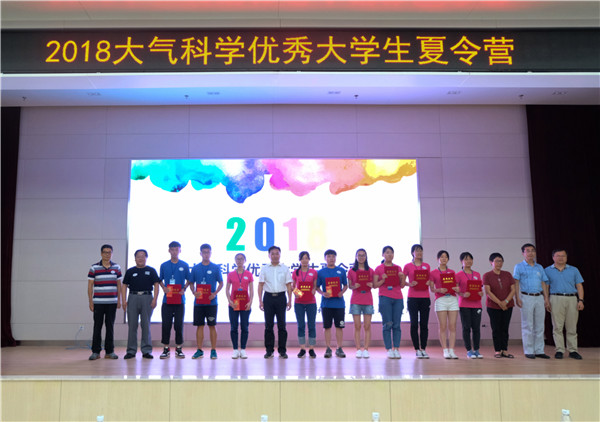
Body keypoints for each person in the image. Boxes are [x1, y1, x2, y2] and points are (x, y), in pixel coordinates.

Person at [544, 249, 584, 360]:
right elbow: (546, 287)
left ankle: (573, 350)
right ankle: (559, 350)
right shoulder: (547, 270)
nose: (561, 258)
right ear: (553, 257)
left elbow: (579, 285)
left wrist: (581, 300)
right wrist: (546, 300)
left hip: (572, 299)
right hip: (555, 298)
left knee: (572, 326)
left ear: (566, 257)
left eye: (563, 256)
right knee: (557, 326)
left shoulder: (574, 270)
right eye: (558, 256)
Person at [513, 243, 550, 359]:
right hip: (526, 297)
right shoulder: (519, 267)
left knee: (540, 325)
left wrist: (546, 298)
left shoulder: (539, 267)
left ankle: (539, 350)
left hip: (539, 297)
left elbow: (543, 282)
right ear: (523, 253)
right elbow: (516, 283)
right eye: (527, 251)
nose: (530, 253)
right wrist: (517, 297)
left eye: (532, 250)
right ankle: (529, 350)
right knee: (527, 325)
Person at [122, 249, 160, 359]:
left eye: (143, 256)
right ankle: (131, 350)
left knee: (146, 325)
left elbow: (156, 285)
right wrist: (123, 300)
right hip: (133, 297)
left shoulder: (151, 270)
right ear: (135, 258)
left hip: (147, 298)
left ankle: (146, 350)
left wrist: (155, 299)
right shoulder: (130, 271)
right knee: (132, 325)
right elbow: (124, 285)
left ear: (146, 258)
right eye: (138, 256)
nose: (140, 258)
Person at [87, 244, 122, 360]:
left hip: (112, 302)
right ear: (101, 253)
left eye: (109, 252)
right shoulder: (94, 268)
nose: (107, 254)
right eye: (105, 252)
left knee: (110, 326)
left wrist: (119, 300)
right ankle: (95, 352)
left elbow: (119, 285)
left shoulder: (116, 267)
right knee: (97, 326)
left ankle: (109, 351)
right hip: (98, 302)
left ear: (112, 253)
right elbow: (90, 286)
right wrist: (90, 302)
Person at [258, 246, 293, 359]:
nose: (275, 256)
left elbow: (288, 285)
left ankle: (282, 350)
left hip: (281, 298)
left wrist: (290, 300)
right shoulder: (264, 268)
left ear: (280, 254)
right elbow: (260, 285)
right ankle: (269, 350)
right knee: (268, 326)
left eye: (277, 253)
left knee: (282, 326)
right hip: (268, 298)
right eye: (272, 253)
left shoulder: (285, 268)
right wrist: (260, 300)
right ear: (269, 255)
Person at [190, 243, 223, 360]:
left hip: (211, 302)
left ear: (210, 253)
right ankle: (199, 350)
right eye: (204, 252)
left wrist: (214, 293)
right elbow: (191, 283)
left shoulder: (215, 267)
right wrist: (194, 292)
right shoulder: (195, 268)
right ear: (200, 253)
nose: (206, 254)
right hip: (198, 303)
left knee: (212, 326)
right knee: (199, 326)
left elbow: (221, 283)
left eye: (208, 252)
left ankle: (213, 350)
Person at [158, 241, 190, 359]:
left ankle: (179, 348)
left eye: (177, 249)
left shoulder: (184, 265)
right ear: (169, 251)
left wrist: (184, 288)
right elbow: (159, 279)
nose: (174, 252)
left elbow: (189, 279)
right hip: (167, 300)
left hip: (180, 300)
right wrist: (164, 288)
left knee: (178, 325)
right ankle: (166, 348)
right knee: (166, 324)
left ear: (180, 250)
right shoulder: (164, 265)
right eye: (172, 249)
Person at [373, 246, 406, 359]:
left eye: (391, 253)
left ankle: (396, 348)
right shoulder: (379, 268)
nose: (389, 255)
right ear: (383, 255)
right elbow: (375, 285)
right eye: (387, 252)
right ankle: (388, 349)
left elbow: (402, 285)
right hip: (385, 297)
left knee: (397, 324)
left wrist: (402, 277)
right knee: (387, 324)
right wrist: (383, 279)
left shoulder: (398, 268)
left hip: (398, 298)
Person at [316, 249, 349, 358]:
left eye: (333, 256)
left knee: (340, 326)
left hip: (339, 304)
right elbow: (317, 287)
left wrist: (342, 292)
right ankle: (328, 348)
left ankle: (339, 348)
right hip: (326, 305)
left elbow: (346, 285)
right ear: (325, 258)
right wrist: (322, 293)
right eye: (329, 256)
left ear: (336, 258)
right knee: (327, 327)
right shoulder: (321, 272)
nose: (331, 258)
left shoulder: (341, 270)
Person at [483, 252, 516, 359]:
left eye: (501, 261)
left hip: (508, 306)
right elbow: (488, 292)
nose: (499, 263)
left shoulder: (507, 274)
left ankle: (505, 350)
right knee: (496, 328)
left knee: (505, 328)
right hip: (493, 306)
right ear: (491, 262)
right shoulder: (487, 275)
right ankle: (497, 350)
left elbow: (513, 289)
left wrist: (505, 302)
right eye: (496, 261)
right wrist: (500, 303)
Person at [403, 244, 433, 359]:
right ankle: (417, 349)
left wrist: (429, 283)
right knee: (414, 324)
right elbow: (402, 282)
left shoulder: (427, 266)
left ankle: (423, 348)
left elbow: (430, 281)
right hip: (412, 298)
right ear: (412, 253)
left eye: (421, 250)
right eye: (417, 251)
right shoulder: (407, 266)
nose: (419, 253)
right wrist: (410, 284)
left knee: (424, 324)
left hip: (425, 297)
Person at [430, 250, 460, 359]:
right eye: (441, 257)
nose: (444, 259)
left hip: (452, 299)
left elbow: (456, 286)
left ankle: (451, 350)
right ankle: (445, 350)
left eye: (446, 257)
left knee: (452, 326)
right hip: (440, 300)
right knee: (442, 326)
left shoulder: (452, 272)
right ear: (437, 259)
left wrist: (457, 289)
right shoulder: (433, 273)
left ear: (448, 259)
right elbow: (432, 289)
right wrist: (439, 290)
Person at [347, 248, 375, 359]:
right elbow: (350, 286)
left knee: (367, 326)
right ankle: (358, 349)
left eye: (363, 255)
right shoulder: (351, 271)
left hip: (368, 300)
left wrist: (371, 285)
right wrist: (354, 286)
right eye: (359, 255)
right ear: (356, 257)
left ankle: (366, 349)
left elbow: (374, 284)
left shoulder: (371, 271)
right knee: (357, 326)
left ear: (366, 257)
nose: (361, 257)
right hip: (356, 300)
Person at [226, 253, 254, 359]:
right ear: (235, 261)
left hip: (245, 304)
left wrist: (250, 302)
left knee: (244, 327)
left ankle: (243, 349)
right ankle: (235, 350)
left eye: (241, 259)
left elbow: (251, 289)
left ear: (245, 260)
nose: (239, 261)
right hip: (234, 304)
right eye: (237, 259)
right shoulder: (231, 274)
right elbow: (227, 289)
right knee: (233, 327)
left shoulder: (249, 274)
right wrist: (230, 301)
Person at [456, 252, 484, 359]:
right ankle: (469, 350)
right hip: (464, 305)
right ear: (461, 261)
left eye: (470, 259)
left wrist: (481, 293)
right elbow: (456, 290)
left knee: (476, 328)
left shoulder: (477, 274)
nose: (468, 261)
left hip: (477, 304)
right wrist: (463, 294)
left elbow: (480, 288)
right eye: (466, 259)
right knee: (466, 327)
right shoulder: (458, 275)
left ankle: (476, 350)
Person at [292, 251, 318, 358]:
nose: (304, 260)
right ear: (299, 260)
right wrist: (297, 293)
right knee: (301, 325)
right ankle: (302, 348)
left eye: (306, 258)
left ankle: (311, 348)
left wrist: (314, 290)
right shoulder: (296, 272)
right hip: (299, 303)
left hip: (311, 302)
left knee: (312, 325)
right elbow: (292, 286)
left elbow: (315, 286)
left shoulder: (313, 272)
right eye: (302, 258)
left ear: (309, 260)